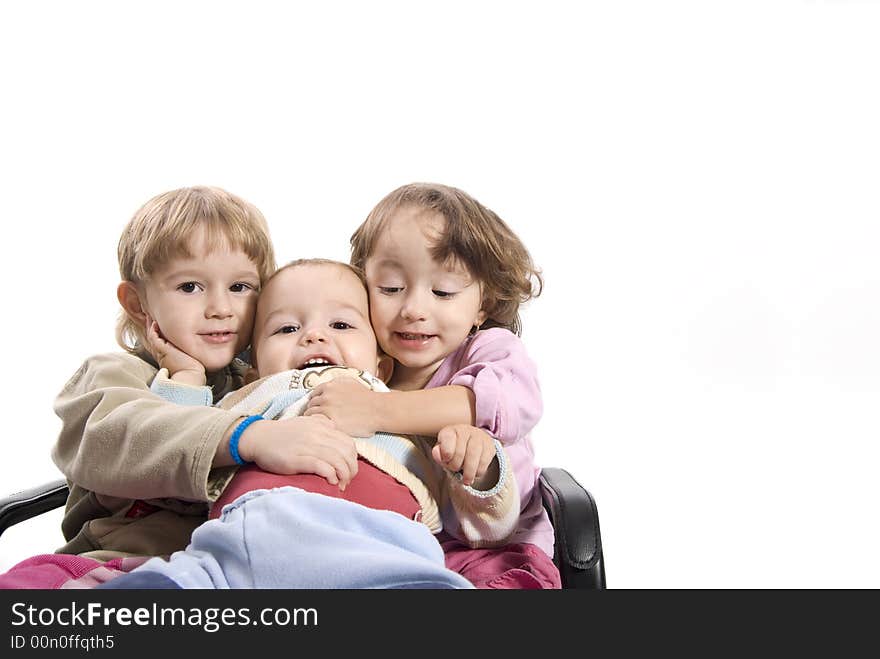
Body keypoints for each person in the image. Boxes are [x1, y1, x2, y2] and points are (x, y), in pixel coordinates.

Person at [100, 259, 517, 588]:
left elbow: (484, 530)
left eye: (341, 325)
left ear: (382, 366)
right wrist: (186, 376)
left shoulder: (401, 409)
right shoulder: (251, 398)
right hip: (248, 535)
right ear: (252, 368)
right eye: (286, 328)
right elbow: (175, 446)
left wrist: (481, 470)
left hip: (385, 549)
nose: (313, 337)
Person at [50, 186, 359, 561]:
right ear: (137, 302)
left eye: (240, 287)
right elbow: (122, 437)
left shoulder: (264, 379)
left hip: (235, 569)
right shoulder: (111, 375)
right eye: (190, 287)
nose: (220, 308)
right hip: (117, 562)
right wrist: (246, 432)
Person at [302, 182, 561, 589]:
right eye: (389, 288)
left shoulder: (490, 350)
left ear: (484, 306)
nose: (413, 310)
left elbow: (503, 402)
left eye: (442, 292)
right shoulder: (362, 359)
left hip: (491, 554)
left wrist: (374, 410)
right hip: (389, 549)